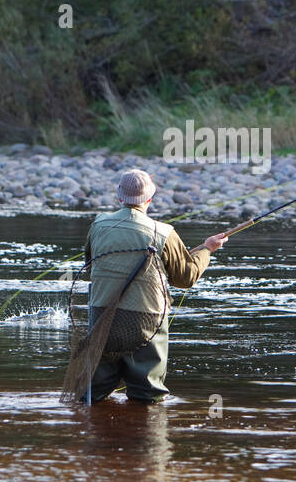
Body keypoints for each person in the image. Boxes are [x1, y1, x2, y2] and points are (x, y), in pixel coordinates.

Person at [82, 169, 227, 403]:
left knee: (94, 394)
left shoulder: (98, 225)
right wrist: (207, 249)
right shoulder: (164, 232)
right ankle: (146, 437)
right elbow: (185, 277)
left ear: (119, 197)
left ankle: (93, 433)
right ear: (150, 198)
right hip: (146, 321)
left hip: (102, 316)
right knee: (147, 396)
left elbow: (91, 266)